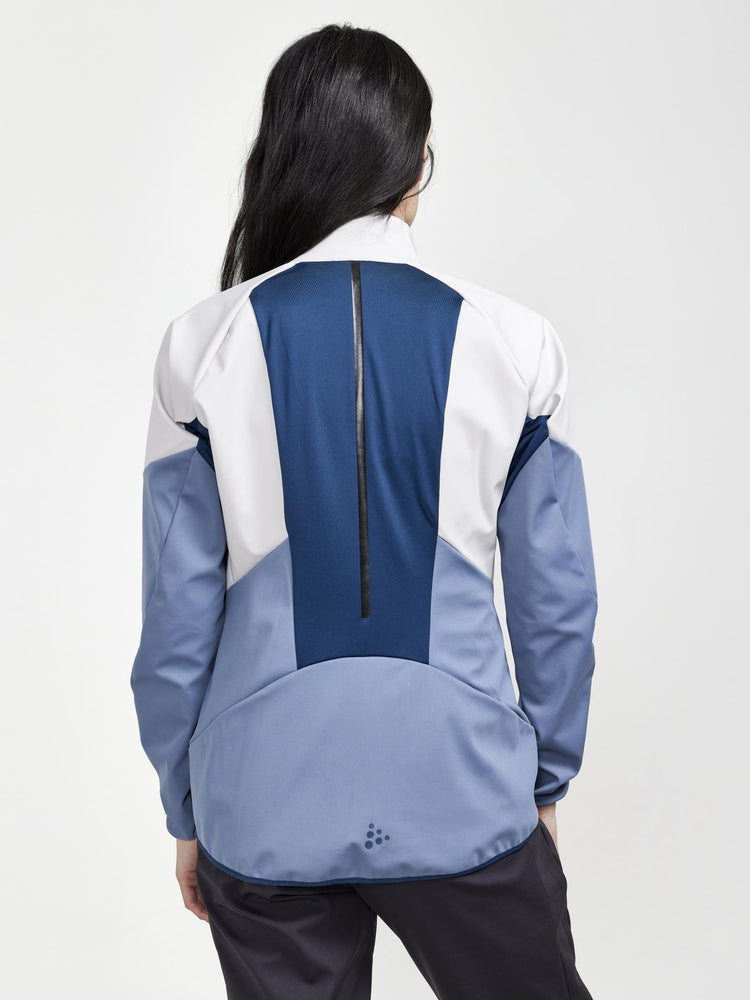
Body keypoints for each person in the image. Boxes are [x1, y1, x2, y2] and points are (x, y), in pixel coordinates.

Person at [130, 21, 598, 1000]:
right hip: (466, 787)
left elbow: (176, 624)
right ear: (417, 159)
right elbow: (556, 603)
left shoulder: (200, 345)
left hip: (259, 797)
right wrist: (545, 780)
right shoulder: (515, 342)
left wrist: (187, 804)